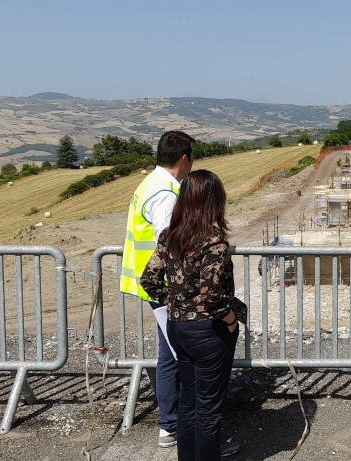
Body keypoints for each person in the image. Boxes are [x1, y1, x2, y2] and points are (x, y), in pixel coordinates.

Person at [141, 170, 247, 461]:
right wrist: (229, 320)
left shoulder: (169, 236)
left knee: (188, 402)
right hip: (208, 332)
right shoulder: (214, 241)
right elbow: (213, 296)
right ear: (214, 202)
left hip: (177, 328)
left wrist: (175, 301)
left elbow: (148, 280)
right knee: (208, 407)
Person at [119, 130, 194, 448]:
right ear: (185, 158)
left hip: (151, 282)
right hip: (165, 285)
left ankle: (171, 425)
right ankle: (183, 428)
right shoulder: (166, 191)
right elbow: (168, 242)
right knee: (182, 354)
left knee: (170, 353)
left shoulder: (149, 183)